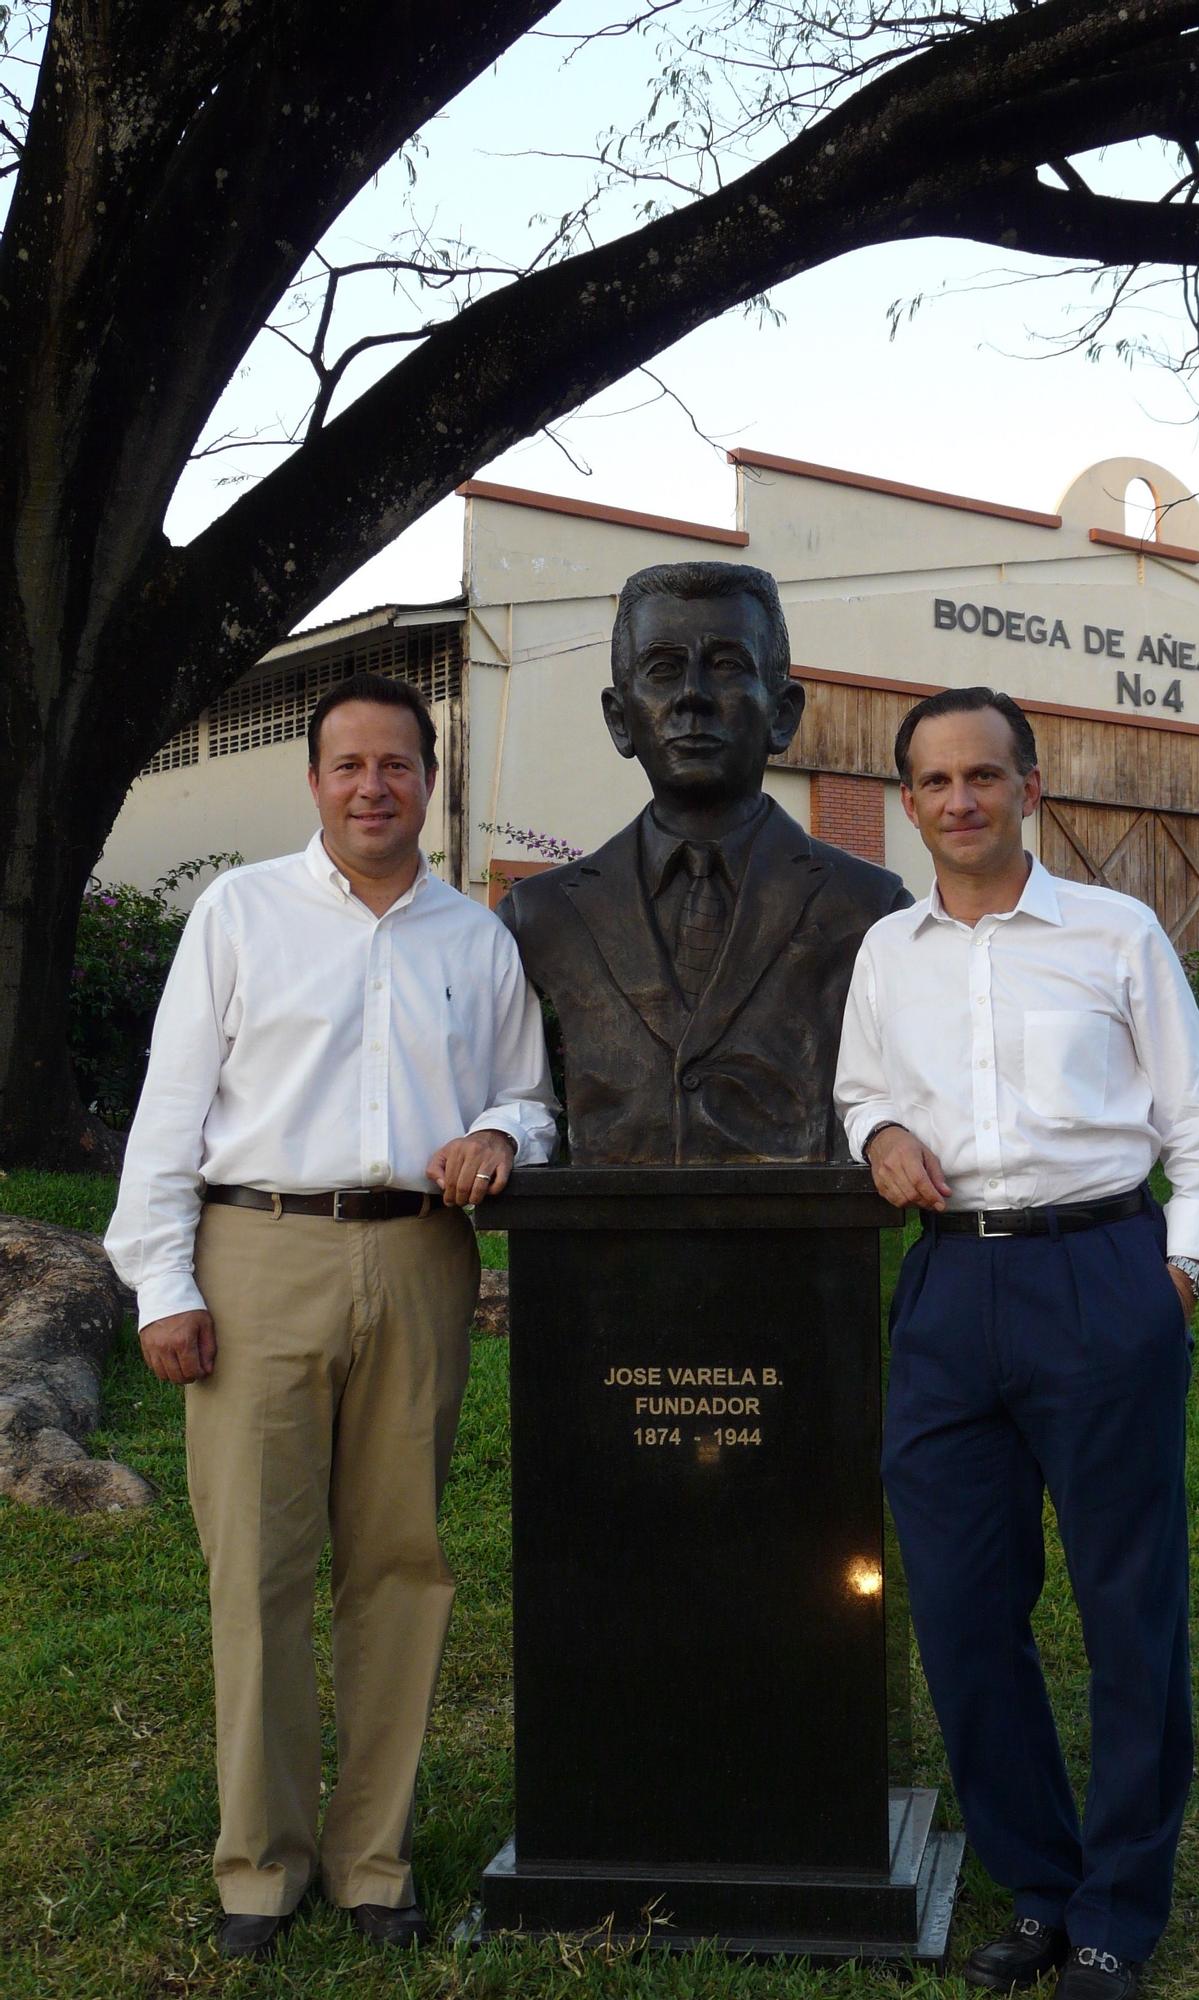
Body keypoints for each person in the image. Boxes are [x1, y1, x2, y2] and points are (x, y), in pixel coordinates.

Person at [105, 673, 556, 1959]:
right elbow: (169, 1105)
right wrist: (166, 1283)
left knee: (401, 1562)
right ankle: (261, 1862)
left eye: (398, 764)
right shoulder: (240, 913)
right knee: (258, 1565)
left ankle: (373, 1857)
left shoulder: (477, 938)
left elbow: (531, 1097)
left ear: (429, 779)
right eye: (349, 764)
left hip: (420, 1258)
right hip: (261, 1251)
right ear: (314, 782)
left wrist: (496, 1130)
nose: (373, 785)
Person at [834, 686, 1199, 2000]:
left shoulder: (1115, 932)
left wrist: (1177, 1271)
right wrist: (879, 1139)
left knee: (1129, 1608)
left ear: (1032, 785)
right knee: (964, 1610)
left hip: (1099, 1274)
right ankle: (1038, 1879)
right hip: (950, 1294)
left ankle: (1116, 1916)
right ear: (908, 802)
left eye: (984, 775)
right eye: (934, 781)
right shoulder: (886, 953)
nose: (959, 800)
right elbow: (860, 1091)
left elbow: (1198, 1119)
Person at [501, 560, 909, 1163]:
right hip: (600, 1248)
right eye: (662, 670)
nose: (692, 695)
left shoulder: (871, 909)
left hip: (806, 1243)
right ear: (620, 719)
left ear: (783, 713)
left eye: (727, 665)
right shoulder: (540, 915)